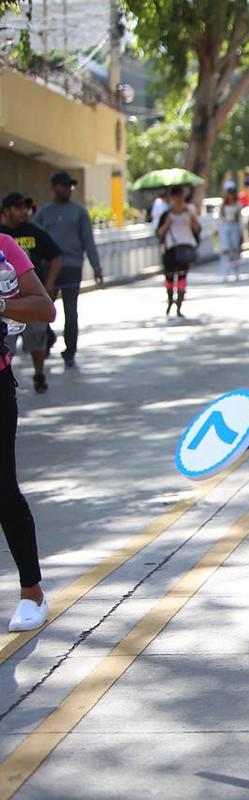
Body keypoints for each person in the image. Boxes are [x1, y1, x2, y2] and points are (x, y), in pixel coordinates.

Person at [1, 233, 56, 631]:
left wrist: (2, 304)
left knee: (3, 489)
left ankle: (32, 593)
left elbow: (44, 308)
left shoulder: (4, 247)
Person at [33, 172, 102, 369]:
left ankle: (70, 351)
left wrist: (96, 266)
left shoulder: (79, 212)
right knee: (44, 308)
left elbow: (88, 240)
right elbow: (35, 240)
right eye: (65, 186)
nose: (68, 190)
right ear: (55, 187)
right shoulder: (44, 213)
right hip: (49, 268)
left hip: (72, 267)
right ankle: (46, 340)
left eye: (70, 186)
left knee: (71, 311)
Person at [1, 194, 61, 393]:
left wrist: (49, 285)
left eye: (25, 208)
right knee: (7, 345)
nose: (23, 212)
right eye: (18, 208)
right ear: (6, 211)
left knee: (37, 340)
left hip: (29, 300)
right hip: (6, 308)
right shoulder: (2, 235)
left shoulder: (34, 232)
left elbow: (55, 256)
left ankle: (39, 373)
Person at [156, 186, 201, 317]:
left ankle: (179, 306)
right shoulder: (166, 214)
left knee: (182, 278)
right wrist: (167, 223)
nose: (179, 198)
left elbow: (197, 229)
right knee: (169, 278)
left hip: (185, 247)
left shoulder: (189, 211)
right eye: (177, 196)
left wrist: (191, 217)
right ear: (172, 197)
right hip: (170, 249)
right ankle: (170, 301)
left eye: (181, 195)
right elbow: (159, 233)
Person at [218, 183, 244, 281]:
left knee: (235, 250)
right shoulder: (223, 205)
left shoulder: (238, 204)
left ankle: (236, 270)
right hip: (225, 227)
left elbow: (240, 219)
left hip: (234, 227)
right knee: (225, 250)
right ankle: (225, 272)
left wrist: (241, 231)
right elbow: (220, 218)